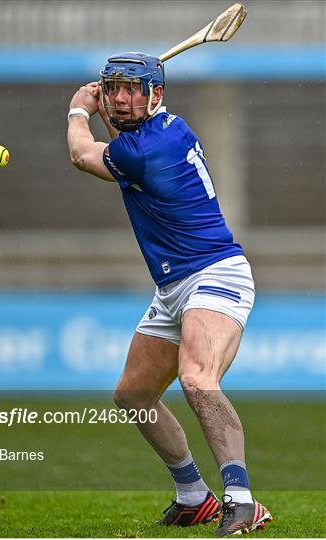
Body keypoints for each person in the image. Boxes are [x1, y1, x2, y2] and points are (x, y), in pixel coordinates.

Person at [67, 51, 272, 536]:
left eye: (131, 89)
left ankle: (242, 501)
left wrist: (79, 108)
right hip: (174, 283)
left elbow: (82, 154)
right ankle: (192, 496)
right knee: (134, 394)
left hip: (214, 272)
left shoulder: (142, 151)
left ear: (156, 94)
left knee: (198, 379)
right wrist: (108, 113)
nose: (119, 99)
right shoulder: (164, 129)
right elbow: (122, 139)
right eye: (112, 88)